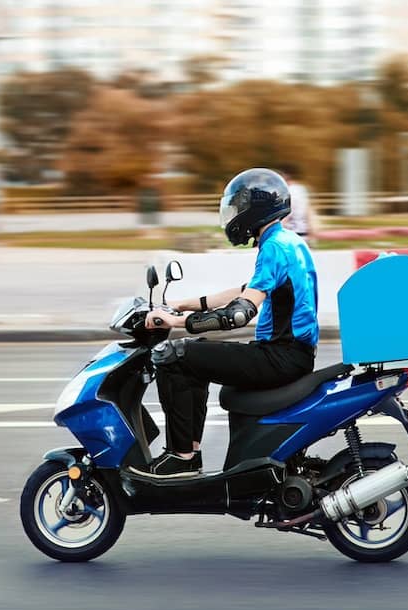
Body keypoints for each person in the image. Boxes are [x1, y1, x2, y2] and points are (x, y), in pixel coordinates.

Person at [134, 168, 319, 478]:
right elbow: (241, 291)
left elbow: (239, 312)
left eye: (239, 208)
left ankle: (182, 457)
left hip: (280, 356)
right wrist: (181, 303)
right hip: (290, 354)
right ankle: (189, 451)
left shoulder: (274, 247)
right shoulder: (285, 241)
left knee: (174, 355)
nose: (234, 217)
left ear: (255, 209)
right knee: (197, 356)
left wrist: (179, 322)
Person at [280, 163, 316, 242]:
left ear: (286, 176)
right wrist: (312, 232)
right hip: (303, 233)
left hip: (291, 234)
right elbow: (309, 212)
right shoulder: (302, 189)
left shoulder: (289, 191)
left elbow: (287, 214)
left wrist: (277, 231)